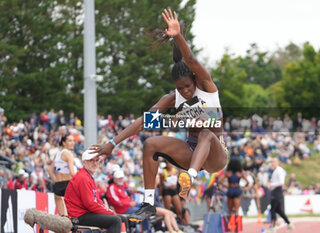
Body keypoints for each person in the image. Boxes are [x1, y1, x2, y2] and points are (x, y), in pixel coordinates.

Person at [91, 8, 228, 221]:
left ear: (194, 79)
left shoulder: (206, 86)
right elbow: (143, 122)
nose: (185, 91)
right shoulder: (171, 99)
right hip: (191, 152)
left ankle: (189, 178)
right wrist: (112, 142)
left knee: (205, 133)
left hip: (215, 153)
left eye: (187, 86)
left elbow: (191, 60)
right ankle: (148, 204)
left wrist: (178, 36)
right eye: (180, 88)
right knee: (151, 144)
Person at [64, 149, 126, 233]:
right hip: (79, 216)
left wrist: (106, 210)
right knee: (116, 220)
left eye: (97, 160)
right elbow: (90, 204)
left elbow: (97, 200)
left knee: (122, 219)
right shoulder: (83, 177)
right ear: (84, 163)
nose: (95, 163)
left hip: (85, 213)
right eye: (91, 161)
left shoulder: (88, 176)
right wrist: (108, 211)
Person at [48, 134, 76, 216]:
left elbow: (50, 171)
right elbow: (72, 172)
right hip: (68, 184)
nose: (72, 143)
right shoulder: (69, 154)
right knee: (72, 217)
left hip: (58, 185)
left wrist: (55, 183)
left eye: (73, 141)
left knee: (62, 217)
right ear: (64, 142)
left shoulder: (57, 154)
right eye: (70, 141)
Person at [266, 158, 294, 232]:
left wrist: (271, 184)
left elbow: (281, 182)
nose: (272, 163)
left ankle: (273, 227)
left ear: (278, 162)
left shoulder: (279, 170)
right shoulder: (275, 170)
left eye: (274, 161)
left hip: (277, 192)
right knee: (278, 210)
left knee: (272, 209)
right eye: (272, 162)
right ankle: (289, 223)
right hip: (275, 191)